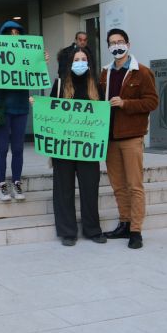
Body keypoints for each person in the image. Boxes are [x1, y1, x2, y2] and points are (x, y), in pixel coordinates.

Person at [99, 28, 158, 249]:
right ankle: (124, 223)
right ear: (108, 47)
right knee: (118, 185)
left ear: (128, 44)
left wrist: (126, 104)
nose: (117, 46)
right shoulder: (104, 72)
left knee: (134, 185)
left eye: (120, 41)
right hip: (110, 137)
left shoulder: (141, 72)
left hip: (131, 136)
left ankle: (136, 230)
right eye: (112, 43)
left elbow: (152, 102)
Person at [48, 47, 107, 246]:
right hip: (63, 149)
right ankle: (68, 232)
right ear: (69, 63)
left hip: (88, 149)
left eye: (83, 59)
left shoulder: (97, 87)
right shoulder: (59, 86)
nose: (80, 62)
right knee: (63, 190)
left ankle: (92, 229)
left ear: (88, 62)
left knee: (90, 189)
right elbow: (49, 114)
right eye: (76, 59)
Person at [0, 20, 31, 202]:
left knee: (18, 148)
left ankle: (16, 181)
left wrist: (40, 60)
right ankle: (1, 184)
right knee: (3, 148)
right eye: (10, 33)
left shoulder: (27, 55)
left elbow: (37, 74)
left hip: (21, 107)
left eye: (17, 32)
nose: (14, 36)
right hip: (1, 107)